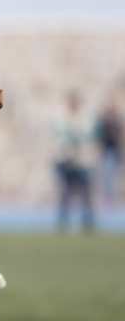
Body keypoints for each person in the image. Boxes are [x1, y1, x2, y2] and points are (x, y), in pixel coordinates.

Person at [55, 91, 96, 233]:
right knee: (65, 193)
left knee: (86, 193)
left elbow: (87, 137)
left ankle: (88, 221)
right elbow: (61, 138)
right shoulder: (63, 118)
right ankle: (63, 221)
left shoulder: (84, 118)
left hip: (81, 162)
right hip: (66, 161)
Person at [95, 98, 122, 206]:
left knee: (113, 174)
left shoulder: (117, 119)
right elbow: (99, 135)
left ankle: (111, 197)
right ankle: (107, 197)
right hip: (106, 150)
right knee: (106, 174)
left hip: (114, 150)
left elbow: (120, 134)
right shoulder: (103, 120)